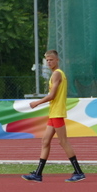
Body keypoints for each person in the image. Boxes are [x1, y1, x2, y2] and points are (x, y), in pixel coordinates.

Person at [22, 50, 86, 183]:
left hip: (57, 112)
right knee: (45, 141)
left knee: (63, 142)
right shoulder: (55, 74)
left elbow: (52, 96)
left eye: (51, 59)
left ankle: (79, 172)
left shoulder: (57, 74)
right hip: (53, 113)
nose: (49, 62)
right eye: (47, 60)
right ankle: (38, 174)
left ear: (57, 60)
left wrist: (36, 103)